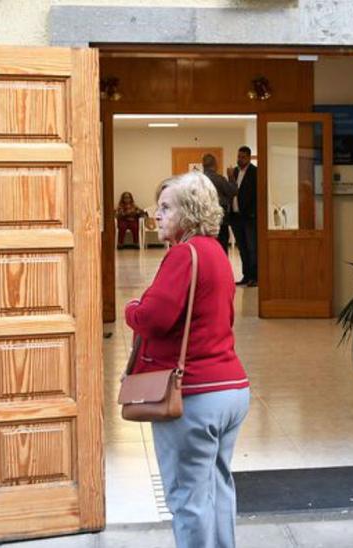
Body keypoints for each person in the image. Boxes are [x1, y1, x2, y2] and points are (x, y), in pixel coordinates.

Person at [125, 172, 250, 548]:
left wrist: (131, 307)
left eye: (166, 208)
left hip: (193, 396)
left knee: (188, 499)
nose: (157, 215)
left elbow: (153, 318)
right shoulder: (216, 252)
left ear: (191, 214)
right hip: (230, 389)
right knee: (217, 490)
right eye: (157, 206)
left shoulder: (184, 255)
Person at [227, 146, 259, 286]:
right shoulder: (234, 172)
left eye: (243, 157)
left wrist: (253, 212)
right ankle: (246, 276)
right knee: (242, 248)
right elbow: (230, 191)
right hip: (235, 217)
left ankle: (255, 277)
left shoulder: (255, 172)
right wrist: (229, 179)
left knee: (252, 248)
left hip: (249, 217)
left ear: (249, 157)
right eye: (238, 156)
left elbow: (256, 195)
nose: (239, 159)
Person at [201, 153, 237, 251]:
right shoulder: (219, 179)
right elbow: (232, 191)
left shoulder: (199, 180)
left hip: (204, 220)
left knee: (207, 248)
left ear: (203, 165)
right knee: (221, 247)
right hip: (220, 220)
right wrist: (231, 177)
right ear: (215, 164)